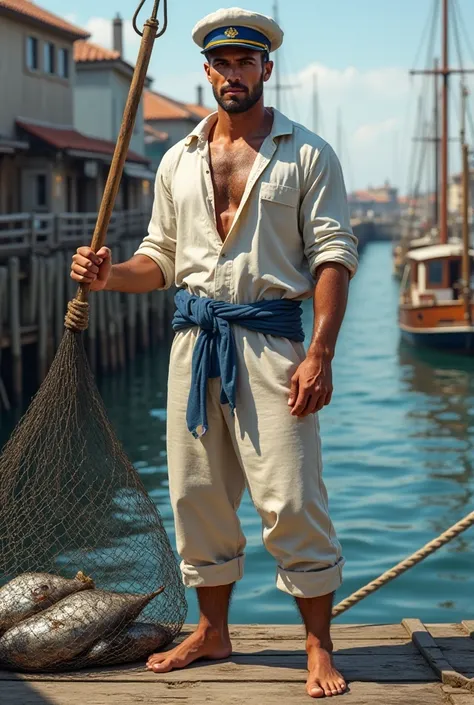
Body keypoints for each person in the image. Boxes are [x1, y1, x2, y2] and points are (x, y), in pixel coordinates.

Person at [70, 7, 358, 699]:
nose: (234, 74)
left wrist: (319, 353)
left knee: (290, 498)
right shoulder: (177, 159)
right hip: (193, 343)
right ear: (206, 72)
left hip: (272, 342)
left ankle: (318, 644)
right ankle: (213, 629)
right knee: (196, 495)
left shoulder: (308, 153)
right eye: (222, 64)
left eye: (245, 62)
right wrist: (112, 275)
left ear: (266, 67)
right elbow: (160, 260)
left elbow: (333, 259)